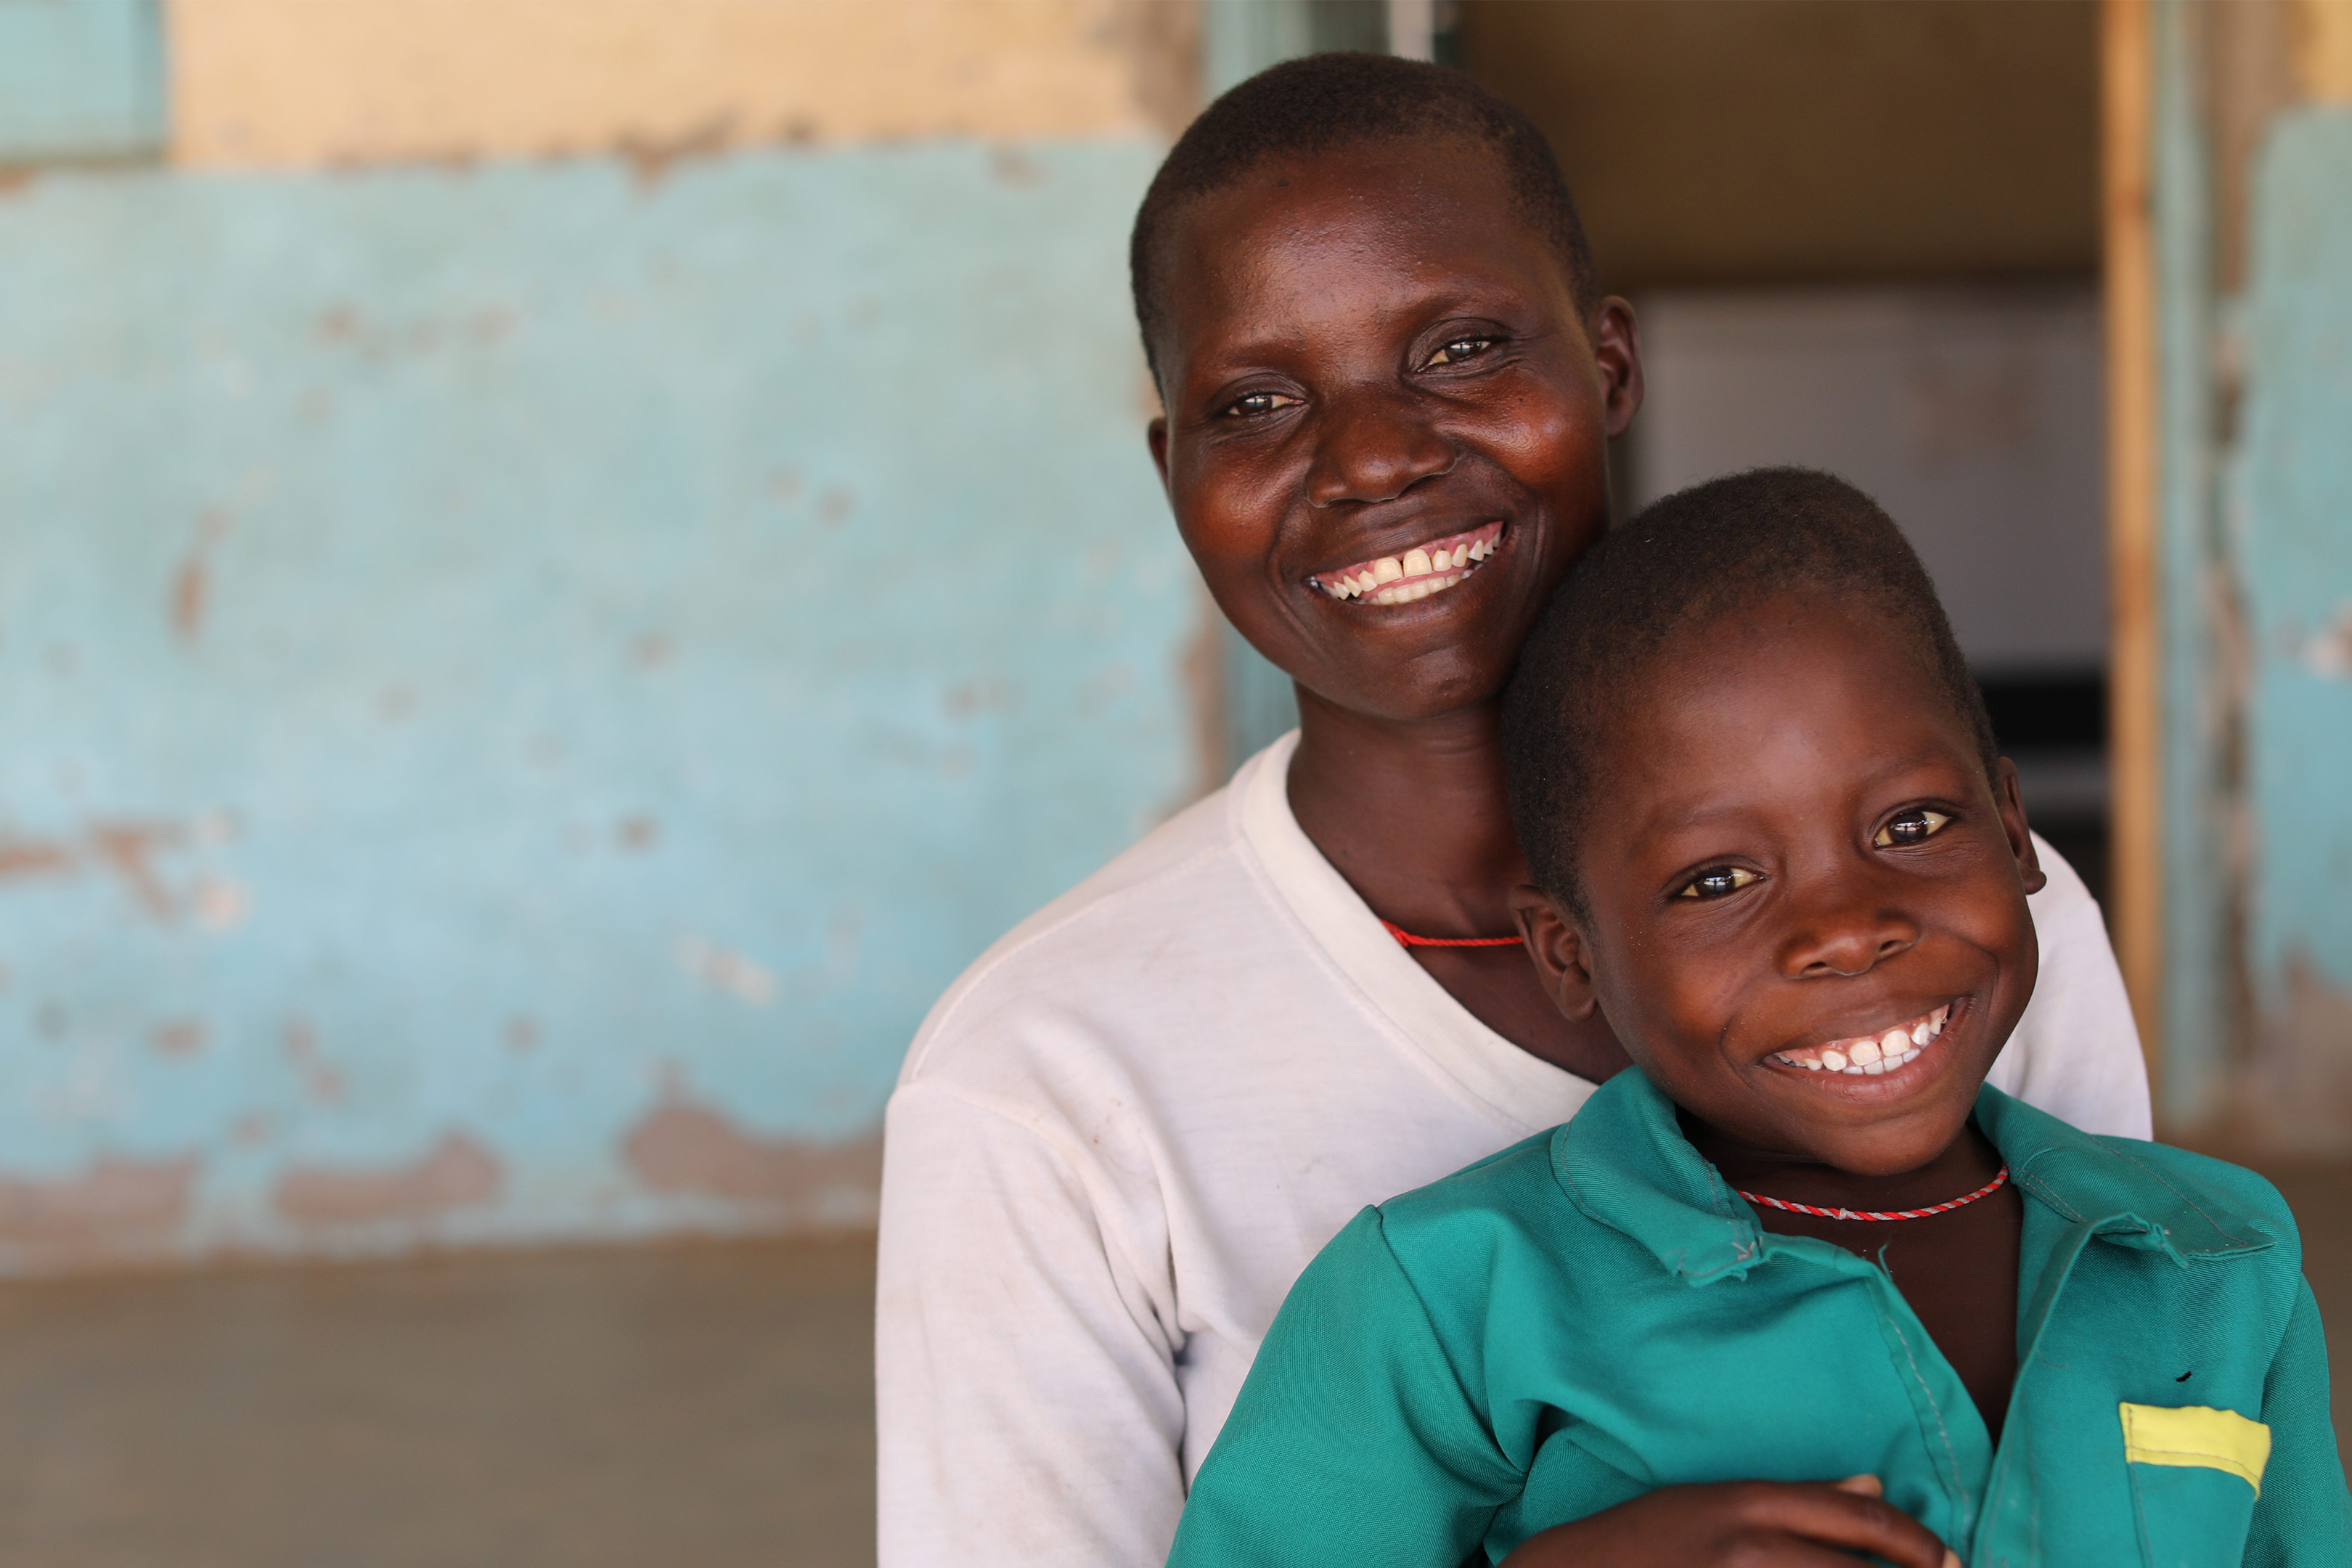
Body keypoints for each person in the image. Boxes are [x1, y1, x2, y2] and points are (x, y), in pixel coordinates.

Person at [875, 54, 2152, 1568]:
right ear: (1177, 472)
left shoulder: (1972, 930)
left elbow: (2127, 1465)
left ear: (1608, 366)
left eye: (1462, 348)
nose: (1370, 458)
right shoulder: (1046, 1076)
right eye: (1257, 402)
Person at [1166, 469, 2349, 1568]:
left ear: (2011, 822)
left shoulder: (2215, 1257)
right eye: (1717, 882)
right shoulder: (1446, 1300)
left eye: (1913, 826)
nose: (1847, 927)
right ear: (1569, 954)